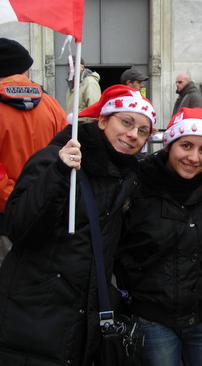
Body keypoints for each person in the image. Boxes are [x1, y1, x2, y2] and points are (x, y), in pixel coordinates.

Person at [0, 85, 156, 365]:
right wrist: (58, 173)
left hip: (83, 321)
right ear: (103, 121)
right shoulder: (55, 158)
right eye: (126, 122)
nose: (133, 134)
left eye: (143, 131)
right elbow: (19, 227)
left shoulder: (128, 178)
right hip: (33, 316)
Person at [115, 107, 202, 366]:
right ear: (169, 145)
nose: (194, 157)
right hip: (153, 318)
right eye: (186, 146)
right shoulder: (137, 184)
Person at [0, 38, 67, 260]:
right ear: (24, 69)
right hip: (47, 211)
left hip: (5, 217)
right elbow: (67, 154)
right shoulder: (52, 104)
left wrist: (16, 200)